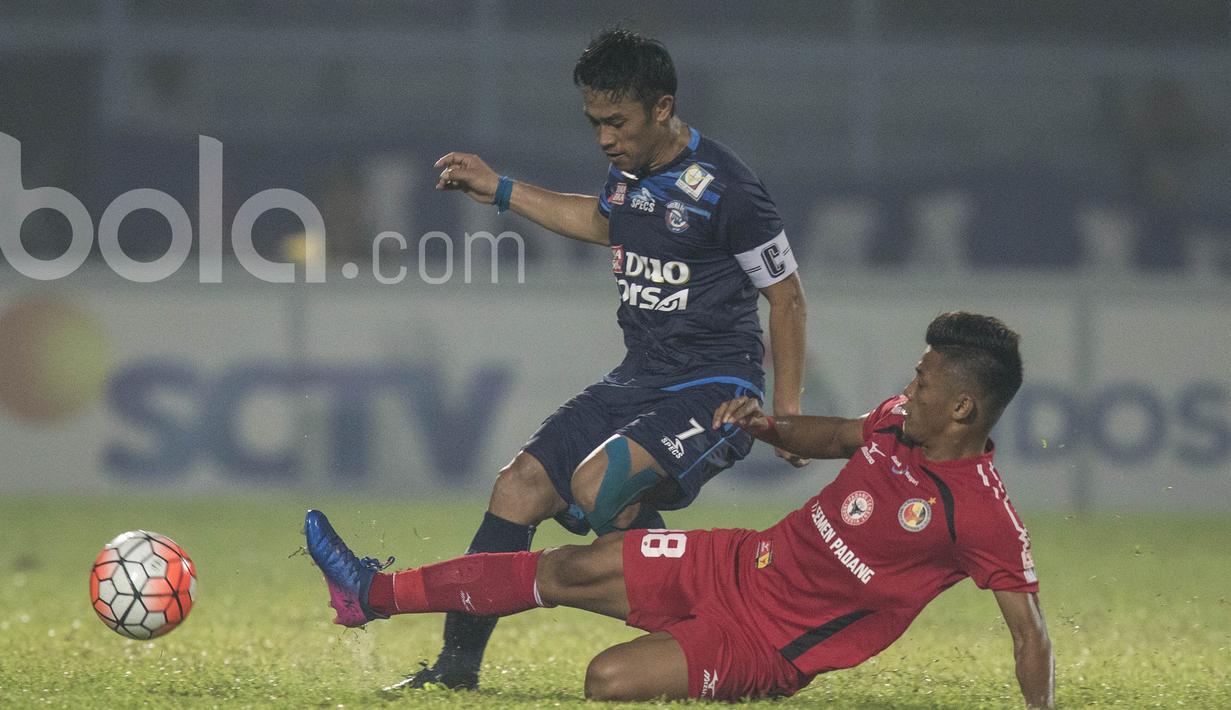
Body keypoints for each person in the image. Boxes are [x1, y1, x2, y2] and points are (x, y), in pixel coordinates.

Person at [305, 312, 1055, 706]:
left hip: (767, 643)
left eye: (925, 381)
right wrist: (769, 428)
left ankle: (687, 642)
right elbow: (835, 435)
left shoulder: (982, 516)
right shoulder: (896, 420)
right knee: (566, 567)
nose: (910, 386)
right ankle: (367, 593)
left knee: (606, 681)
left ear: (962, 406)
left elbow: (1029, 635)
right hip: (735, 561)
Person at [407, 29, 808, 689]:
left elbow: (787, 298)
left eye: (616, 122)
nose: (603, 137)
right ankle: (454, 675)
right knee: (518, 487)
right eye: (594, 122)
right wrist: (499, 189)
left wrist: (786, 413)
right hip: (637, 378)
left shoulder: (728, 189)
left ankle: (720, 643)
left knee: (599, 490)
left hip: (714, 388)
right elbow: (604, 222)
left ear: (662, 107)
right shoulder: (630, 168)